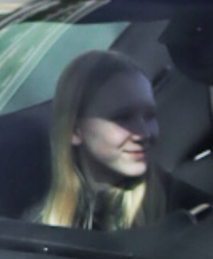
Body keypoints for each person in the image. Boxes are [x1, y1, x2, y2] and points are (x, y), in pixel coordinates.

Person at [38, 50, 166, 232]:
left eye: (150, 115)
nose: (143, 133)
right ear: (74, 130)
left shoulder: (184, 210)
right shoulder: (41, 224)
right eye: (122, 118)